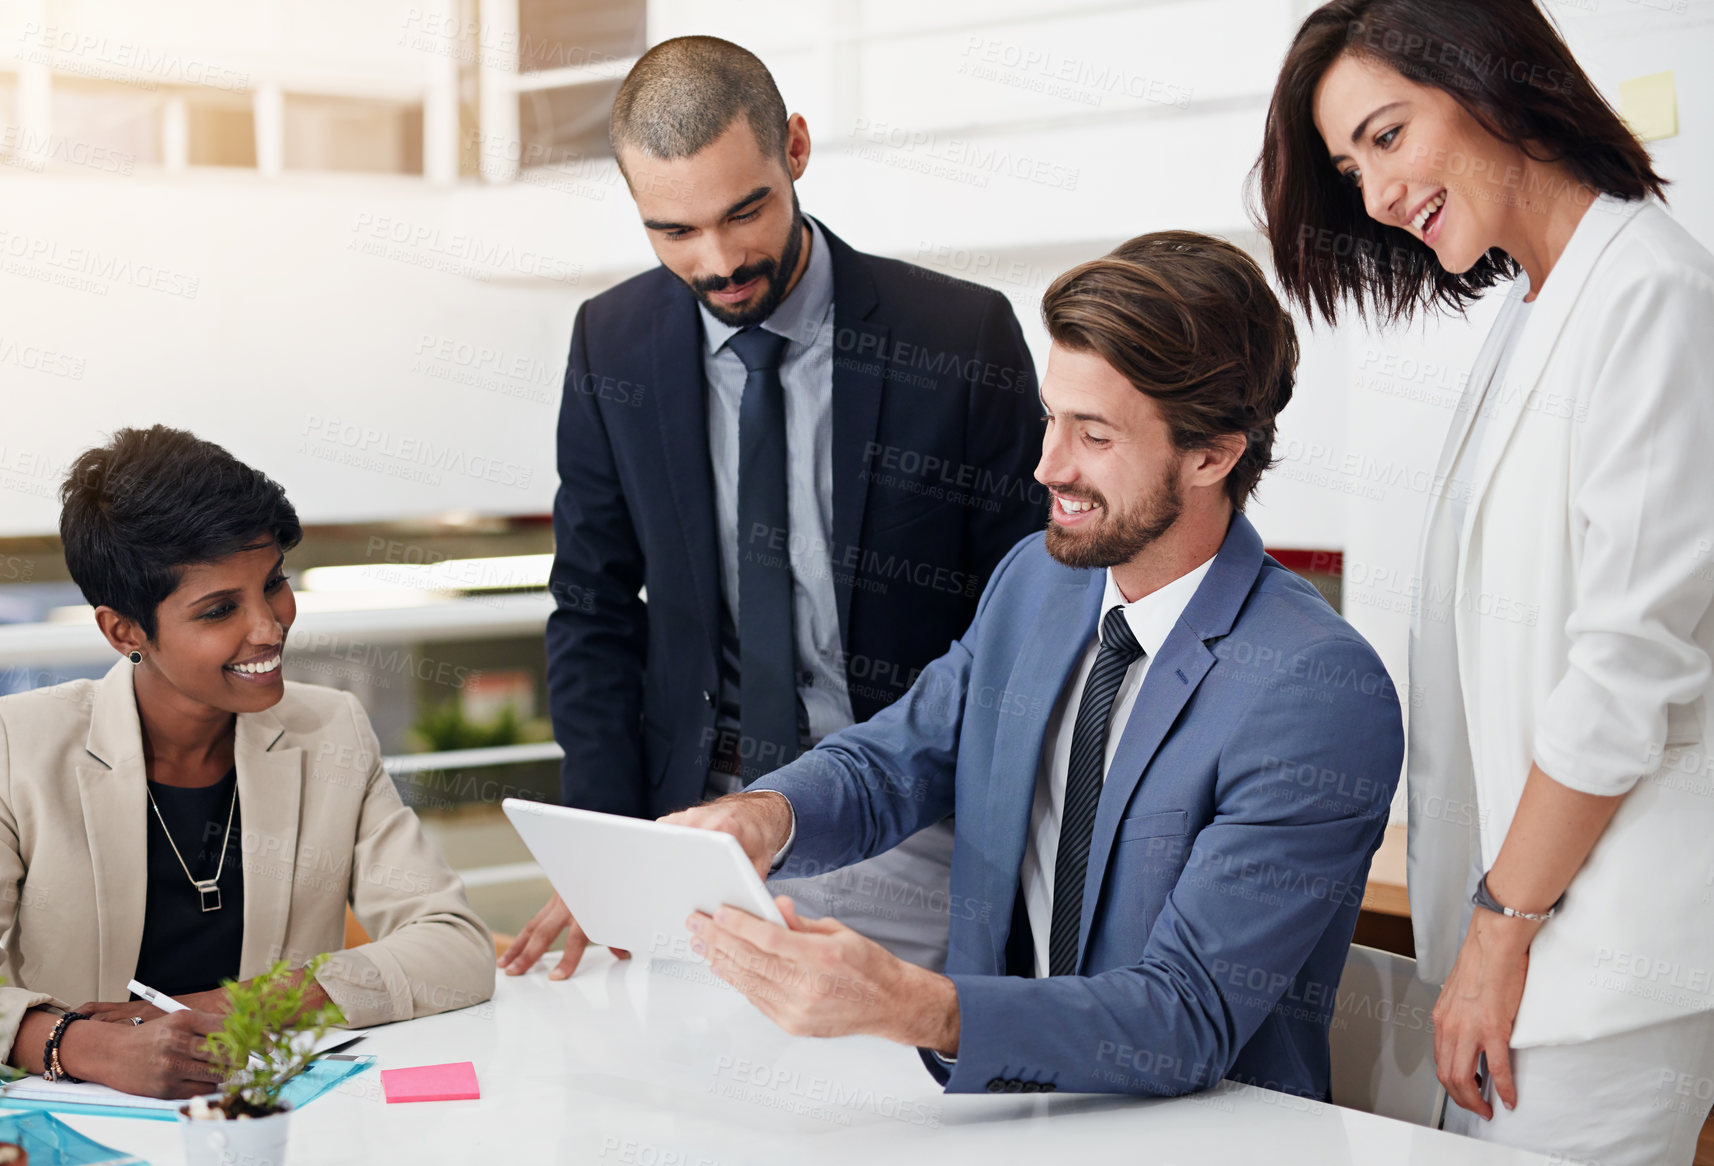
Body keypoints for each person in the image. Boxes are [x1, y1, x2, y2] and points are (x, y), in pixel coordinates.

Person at [564, 232, 1402, 1098]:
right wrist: (765, 815)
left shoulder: (1315, 691)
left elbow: (1182, 1019)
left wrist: (915, 1006)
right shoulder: (1038, 583)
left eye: (1095, 435)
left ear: (1212, 454)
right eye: (1051, 417)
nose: (1048, 465)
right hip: (998, 1119)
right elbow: (896, 760)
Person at [1255, 2, 1714, 1161]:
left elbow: (1626, 666)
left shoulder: (1650, 296)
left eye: (1387, 136)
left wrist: (1502, 932)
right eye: (1351, 166)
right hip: (1529, 937)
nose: (1372, 193)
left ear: (1490, 80)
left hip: (1602, 958)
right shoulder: (1534, 305)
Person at [500, 36, 1043, 979]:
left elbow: (1027, 613)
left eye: (743, 211)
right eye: (673, 232)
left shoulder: (960, 336)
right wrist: (604, 847)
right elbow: (591, 608)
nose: (718, 262)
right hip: (690, 829)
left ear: (794, 147)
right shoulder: (611, 342)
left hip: (906, 824)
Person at [0, 426, 495, 1099]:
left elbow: (455, 948)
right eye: (220, 610)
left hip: (276, 1117)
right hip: (86, 1119)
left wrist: (237, 1006)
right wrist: (85, 1046)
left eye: (274, 584)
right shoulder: (18, 747)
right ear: (125, 632)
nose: (269, 627)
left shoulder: (330, 730)